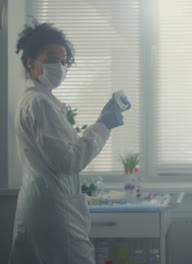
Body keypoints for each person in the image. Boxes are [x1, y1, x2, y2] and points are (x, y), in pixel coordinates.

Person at [9, 21, 130, 264]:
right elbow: (69, 160)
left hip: (41, 203)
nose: (59, 66)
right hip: (53, 208)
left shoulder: (39, 100)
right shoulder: (39, 103)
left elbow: (63, 150)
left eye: (63, 61)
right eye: (51, 59)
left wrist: (100, 121)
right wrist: (103, 125)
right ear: (31, 63)